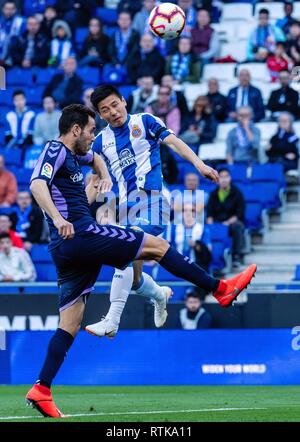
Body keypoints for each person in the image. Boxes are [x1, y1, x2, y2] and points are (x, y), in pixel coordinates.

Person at [25, 103, 256, 418]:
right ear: (75, 129)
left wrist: (103, 172)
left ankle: (42, 389)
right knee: (157, 247)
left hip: (64, 249)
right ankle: (220, 288)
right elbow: (37, 184)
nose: (95, 136)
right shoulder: (55, 149)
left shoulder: (77, 157)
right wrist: (57, 217)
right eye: (92, 130)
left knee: (70, 323)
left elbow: (93, 158)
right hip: (79, 234)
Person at [87, 84, 254, 339]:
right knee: (133, 277)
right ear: (100, 115)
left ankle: (112, 320)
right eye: (104, 110)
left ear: (123, 101)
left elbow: (174, 142)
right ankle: (160, 294)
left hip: (153, 201)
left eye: (114, 104)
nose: (112, 112)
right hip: (126, 209)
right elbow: (94, 180)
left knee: (124, 251)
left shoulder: (144, 121)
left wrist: (199, 165)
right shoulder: (100, 142)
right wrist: (73, 214)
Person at [206, 168, 246, 269]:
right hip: (217, 223)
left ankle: (236, 257)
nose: (224, 179)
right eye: (221, 177)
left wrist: (227, 223)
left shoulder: (237, 193)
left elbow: (239, 213)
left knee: (238, 226)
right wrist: (211, 224)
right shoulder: (213, 194)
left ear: (230, 178)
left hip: (231, 223)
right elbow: (209, 213)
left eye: (226, 177)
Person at [166, 202, 212, 272]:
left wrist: (196, 245)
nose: (188, 213)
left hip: (196, 265)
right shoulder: (173, 228)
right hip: (176, 265)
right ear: (182, 213)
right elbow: (166, 246)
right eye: (185, 210)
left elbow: (208, 251)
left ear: (195, 213)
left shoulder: (202, 228)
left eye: (192, 210)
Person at [4, 89, 35, 156]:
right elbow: (8, 135)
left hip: (27, 145)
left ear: (25, 100)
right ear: (13, 102)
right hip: (13, 145)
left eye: (21, 99)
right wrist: (14, 145)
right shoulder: (9, 116)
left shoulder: (31, 114)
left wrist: (23, 145)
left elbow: (31, 135)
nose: (19, 102)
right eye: (16, 100)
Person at [0, 0, 26, 66]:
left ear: (15, 10)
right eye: (7, 9)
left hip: (14, 52)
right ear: (3, 9)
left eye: (11, 9)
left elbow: (22, 38)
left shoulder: (21, 21)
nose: (9, 11)